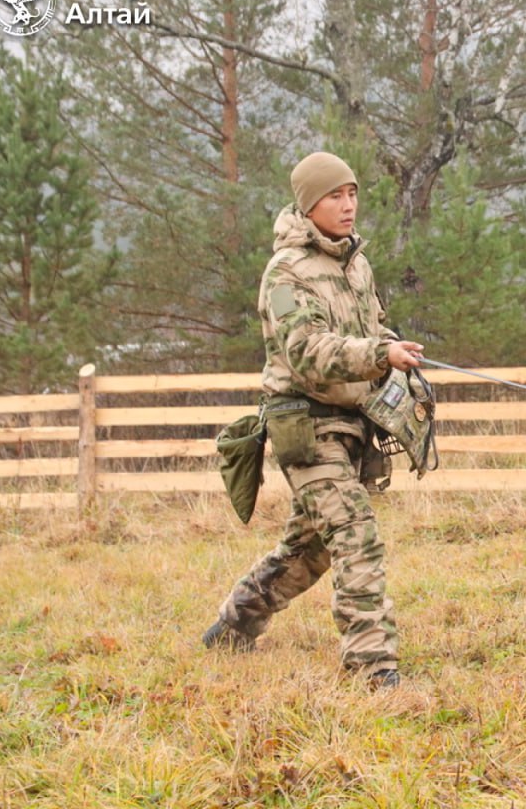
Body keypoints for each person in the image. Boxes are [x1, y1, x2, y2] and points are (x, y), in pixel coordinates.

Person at [202, 151, 423, 690]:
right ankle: (373, 667)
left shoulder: (356, 262)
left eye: (352, 194)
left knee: (311, 547)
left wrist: (391, 346)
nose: (348, 206)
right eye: (334, 197)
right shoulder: (286, 272)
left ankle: (234, 627)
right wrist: (377, 355)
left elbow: (373, 324)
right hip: (303, 423)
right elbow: (306, 351)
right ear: (308, 205)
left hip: (353, 424)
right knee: (355, 533)